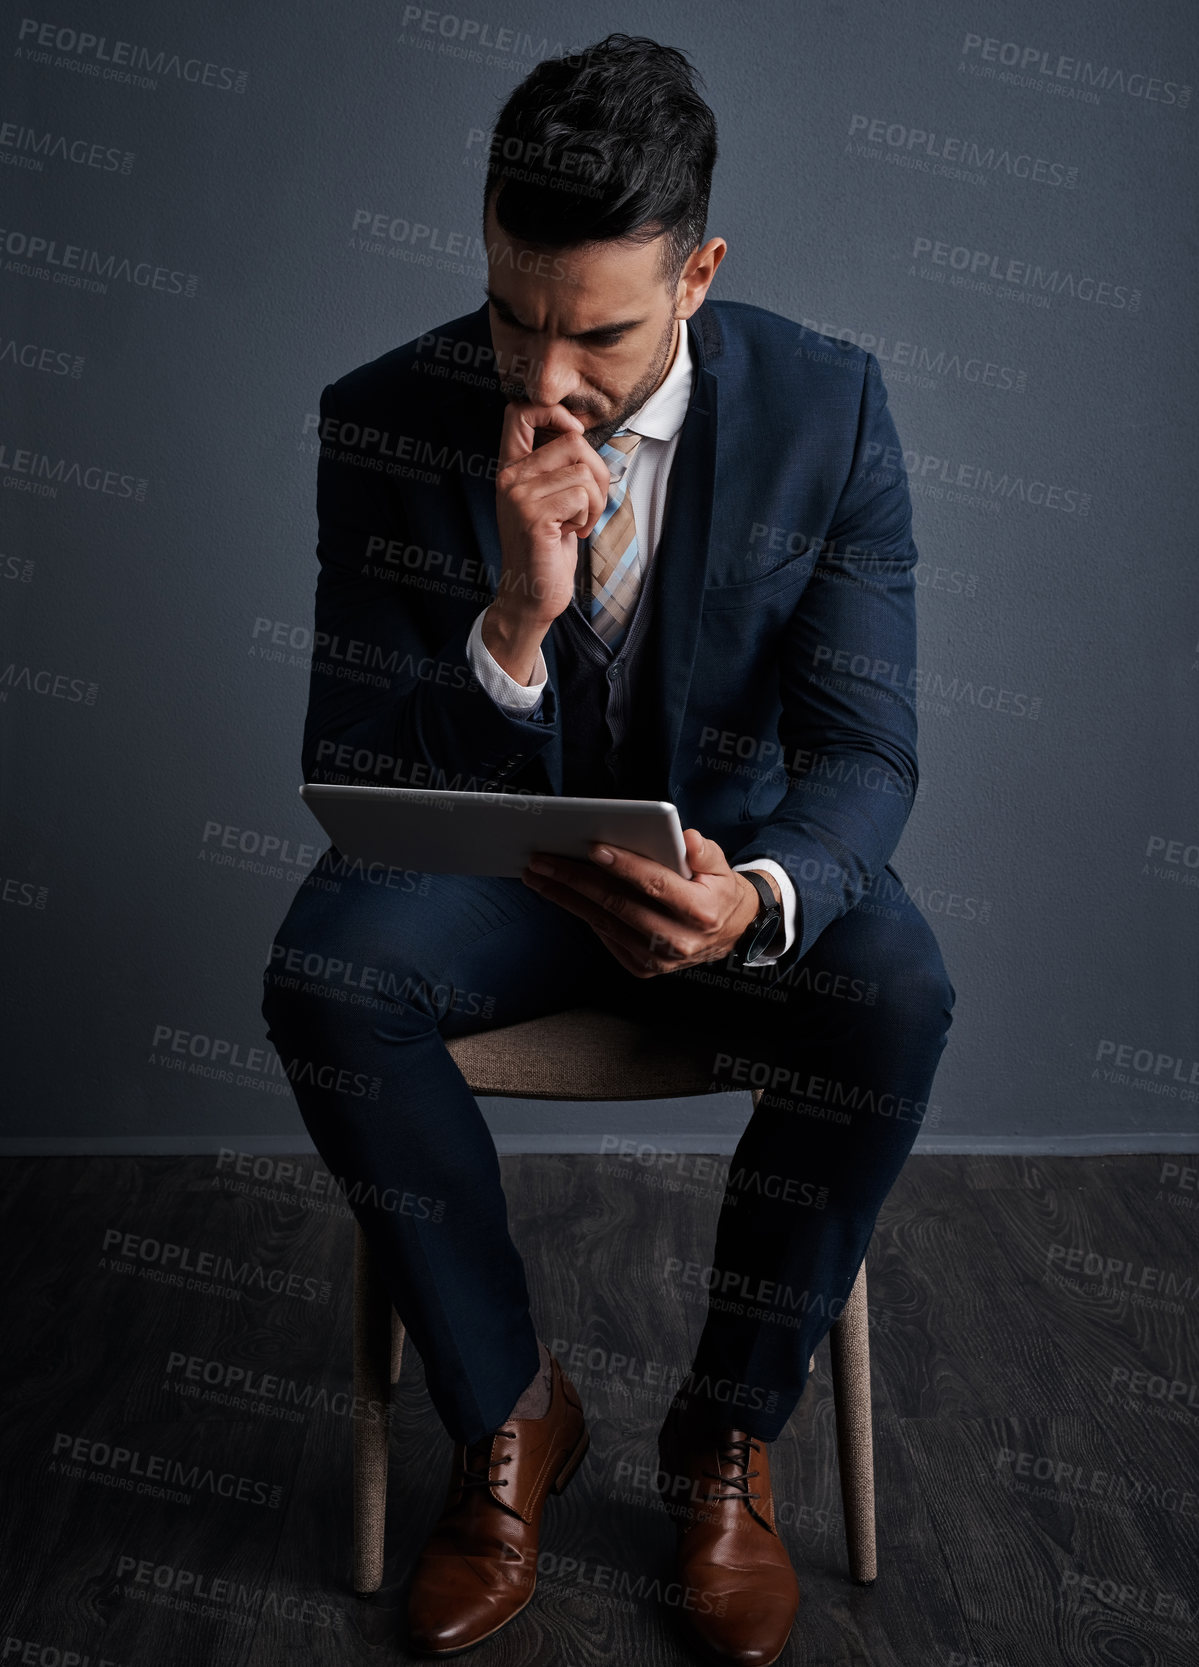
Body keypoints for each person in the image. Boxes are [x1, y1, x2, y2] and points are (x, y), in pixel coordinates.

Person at [261, 31, 955, 1666]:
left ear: (700, 273)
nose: (547, 377)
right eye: (515, 318)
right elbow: (349, 770)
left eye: (601, 334)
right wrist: (512, 618)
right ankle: (510, 1415)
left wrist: (754, 901)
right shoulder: (382, 418)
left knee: (900, 990)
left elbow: (865, 752)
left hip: (727, 881)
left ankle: (725, 1437)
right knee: (322, 976)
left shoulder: (829, 409)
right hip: (494, 895)